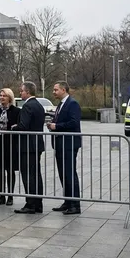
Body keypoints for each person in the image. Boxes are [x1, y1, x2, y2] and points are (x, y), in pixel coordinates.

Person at [47, 81, 82, 215]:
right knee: (63, 174)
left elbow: (74, 122)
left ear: (63, 90)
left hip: (69, 143)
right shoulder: (61, 104)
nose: (54, 92)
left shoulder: (72, 104)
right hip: (60, 144)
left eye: (56, 90)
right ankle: (67, 201)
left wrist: (57, 126)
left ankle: (75, 204)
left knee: (69, 173)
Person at [12, 82, 45, 214]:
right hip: (36, 144)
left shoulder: (27, 106)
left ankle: (30, 203)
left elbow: (24, 126)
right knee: (36, 174)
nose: (20, 93)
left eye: (22, 91)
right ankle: (38, 203)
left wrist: (15, 127)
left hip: (27, 146)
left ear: (28, 92)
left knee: (28, 175)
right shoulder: (38, 105)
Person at [0, 88, 20, 206]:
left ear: (10, 97)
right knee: (0, 170)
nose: (2, 97)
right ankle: (1, 195)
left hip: (10, 143)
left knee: (10, 170)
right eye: (1, 95)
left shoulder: (16, 111)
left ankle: (10, 195)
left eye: (4, 96)